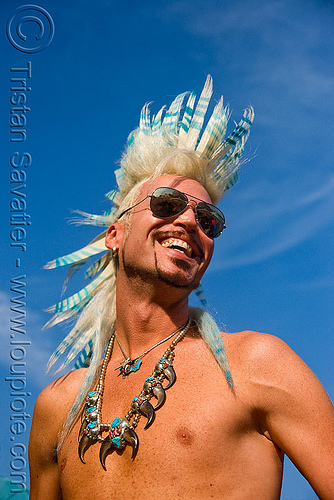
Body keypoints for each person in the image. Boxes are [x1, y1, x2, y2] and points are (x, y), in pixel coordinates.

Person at [28, 76, 334, 499]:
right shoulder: (56, 408)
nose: (191, 222)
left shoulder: (258, 367)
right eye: (167, 205)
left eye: (209, 221)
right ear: (115, 234)